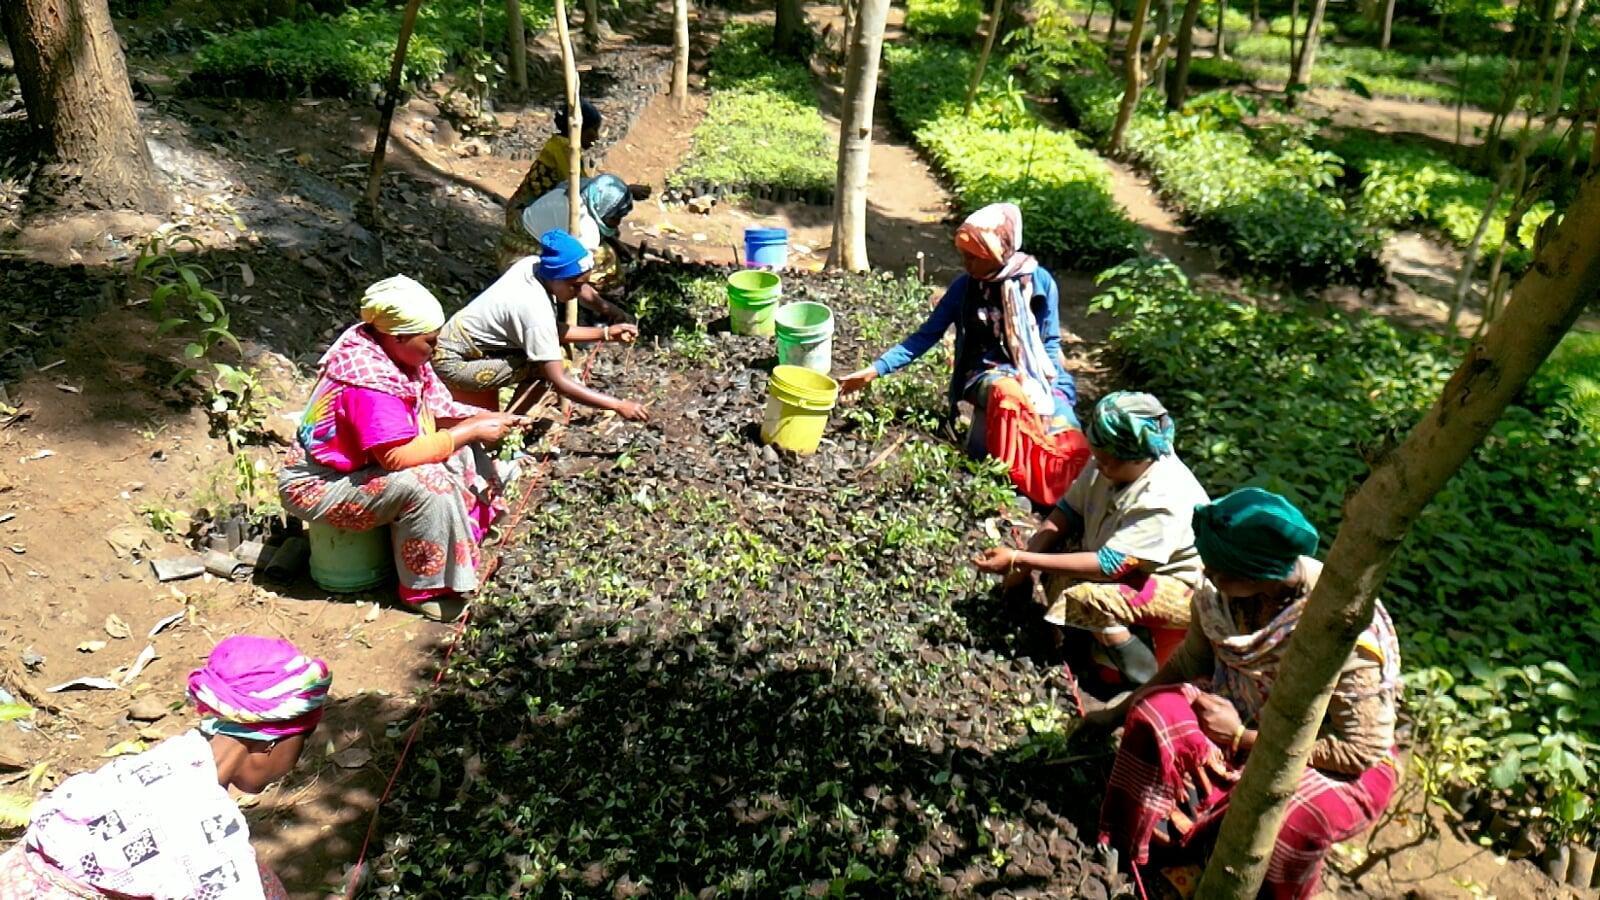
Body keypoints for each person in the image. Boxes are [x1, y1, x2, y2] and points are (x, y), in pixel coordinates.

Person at [1093, 488, 1402, 900]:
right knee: (1157, 712)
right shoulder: (1220, 596)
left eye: (1220, 571)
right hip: (1242, 712)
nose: (1208, 575)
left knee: (1291, 821)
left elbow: (1358, 749)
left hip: (1330, 759)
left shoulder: (1341, 633)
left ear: (1259, 577)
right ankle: (1139, 843)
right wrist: (1116, 713)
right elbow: (1190, 663)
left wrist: (1241, 737)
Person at [0, 636, 331, 899]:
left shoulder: (171, 758)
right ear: (273, 742)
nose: (295, 760)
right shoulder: (209, 833)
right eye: (301, 742)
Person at [278, 275, 527, 622]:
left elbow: (436, 414)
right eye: (430, 341)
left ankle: (467, 534)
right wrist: (470, 429)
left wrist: (479, 421)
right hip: (318, 484)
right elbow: (396, 457)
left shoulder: (391, 355)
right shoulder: (370, 384)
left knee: (461, 449)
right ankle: (426, 588)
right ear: (398, 336)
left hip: (354, 467)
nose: (436, 349)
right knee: (428, 484)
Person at [839, 203, 1088, 506]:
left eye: (974, 257)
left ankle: (1067, 500)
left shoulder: (1039, 282)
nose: (966, 263)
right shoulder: (964, 289)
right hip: (986, 373)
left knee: (1069, 434)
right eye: (964, 256)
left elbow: (1049, 342)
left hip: (1036, 371)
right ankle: (1017, 482)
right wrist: (875, 370)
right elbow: (925, 336)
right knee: (1009, 397)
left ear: (999, 253)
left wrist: (1052, 387)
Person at [973, 392, 1209, 686]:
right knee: (1055, 550)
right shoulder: (1109, 459)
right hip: (1125, 557)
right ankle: (1087, 640)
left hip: (1178, 585)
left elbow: (1110, 565)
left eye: (1106, 462)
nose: (1097, 466)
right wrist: (1022, 567)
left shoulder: (1162, 498)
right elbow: (1068, 511)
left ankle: (1142, 677)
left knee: (1089, 598)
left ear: (1136, 458)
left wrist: (1020, 558)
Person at [434, 229, 650, 420]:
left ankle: (506, 423)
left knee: (548, 356)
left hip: (457, 342)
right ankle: (508, 426)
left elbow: (551, 328)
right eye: (575, 286)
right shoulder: (534, 309)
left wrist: (609, 324)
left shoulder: (534, 266)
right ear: (556, 278)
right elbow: (559, 381)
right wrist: (618, 405)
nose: (578, 292)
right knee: (545, 370)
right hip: (453, 363)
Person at [498, 175, 635, 306]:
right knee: (605, 257)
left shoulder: (575, 189)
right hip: (519, 260)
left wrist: (617, 244)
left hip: (509, 238)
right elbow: (575, 275)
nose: (618, 223)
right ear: (602, 208)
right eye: (615, 217)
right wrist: (607, 308)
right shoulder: (586, 230)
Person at [504, 99, 603, 234]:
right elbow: (579, 188)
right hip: (525, 220)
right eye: (593, 130)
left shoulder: (560, 144)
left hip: (522, 214)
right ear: (579, 128)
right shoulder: (565, 150)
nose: (596, 137)